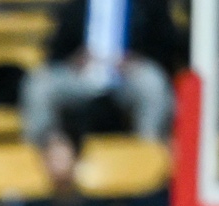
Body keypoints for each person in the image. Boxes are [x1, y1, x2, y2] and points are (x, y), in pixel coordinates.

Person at [21, 0, 180, 144]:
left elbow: (166, 46)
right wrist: (73, 59)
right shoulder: (78, 5)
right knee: (39, 85)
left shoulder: (149, 4)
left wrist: (137, 58)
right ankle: (46, 151)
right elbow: (56, 52)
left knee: (152, 84)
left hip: (129, 75)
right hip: (82, 75)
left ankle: (149, 149)